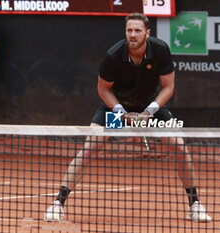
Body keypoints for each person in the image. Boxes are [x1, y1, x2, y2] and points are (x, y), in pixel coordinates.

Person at [44, 12, 211, 222]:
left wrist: (148, 112)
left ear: (147, 33)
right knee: (89, 147)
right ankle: (58, 203)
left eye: (137, 30)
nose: (133, 34)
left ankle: (194, 203)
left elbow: (168, 87)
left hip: (151, 108)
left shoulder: (160, 50)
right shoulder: (113, 56)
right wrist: (122, 114)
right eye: (129, 30)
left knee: (178, 145)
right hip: (116, 108)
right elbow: (103, 90)